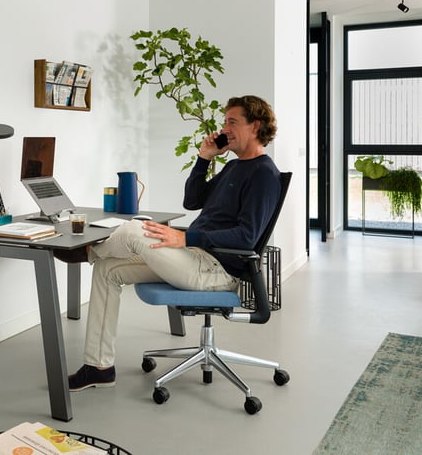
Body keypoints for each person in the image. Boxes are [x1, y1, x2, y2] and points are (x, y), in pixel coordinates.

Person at [54, 94, 281, 391]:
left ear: (256, 126)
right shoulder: (234, 167)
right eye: (225, 121)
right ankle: (98, 366)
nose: (225, 128)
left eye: (233, 122)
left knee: (136, 230)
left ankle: (85, 250)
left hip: (216, 270)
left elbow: (247, 236)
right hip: (192, 257)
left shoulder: (264, 173)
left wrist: (187, 236)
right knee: (108, 270)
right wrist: (204, 157)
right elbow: (192, 200)